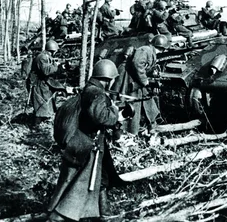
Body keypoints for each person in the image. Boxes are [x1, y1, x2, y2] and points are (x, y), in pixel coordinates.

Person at [47, 59, 125, 222]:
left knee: (101, 177)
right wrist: (116, 112)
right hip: (88, 147)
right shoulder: (96, 93)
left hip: (88, 143)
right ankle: (59, 216)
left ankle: (103, 213)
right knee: (77, 186)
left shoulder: (90, 90)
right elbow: (101, 117)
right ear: (108, 79)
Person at [113, 34, 169, 135]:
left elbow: (144, 66)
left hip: (134, 76)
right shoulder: (146, 50)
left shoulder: (150, 51)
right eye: (162, 49)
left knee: (146, 98)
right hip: (127, 76)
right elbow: (137, 63)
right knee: (129, 102)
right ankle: (126, 130)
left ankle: (150, 124)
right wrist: (145, 81)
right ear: (161, 47)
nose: (162, 51)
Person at [29, 40, 62, 125]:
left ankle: (43, 120)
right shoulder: (42, 57)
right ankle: (36, 125)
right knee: (41, 105)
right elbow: (46, 71)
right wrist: (56, 65)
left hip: (43, 83)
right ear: (52, 50)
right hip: (38, 84)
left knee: (46, 103)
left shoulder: (45, 56)